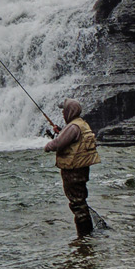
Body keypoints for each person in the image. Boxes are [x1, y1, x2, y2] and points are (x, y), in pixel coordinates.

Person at [41, 99, 99, 238]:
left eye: (64, 111)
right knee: (80, 200)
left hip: (73, 170)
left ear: (70, 111)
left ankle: (84, 237)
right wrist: (61, 131)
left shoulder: (73, 127)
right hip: (81, 168)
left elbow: (58, 143)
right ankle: (86, 237)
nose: (62, 113)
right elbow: (74, 140)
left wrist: (47, 146)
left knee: (77, 204)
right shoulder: (81, 124)